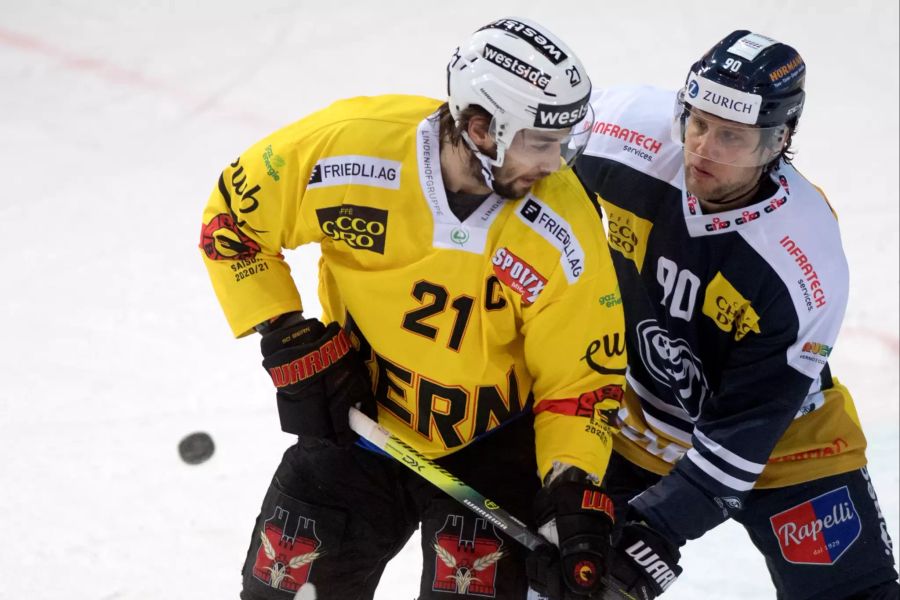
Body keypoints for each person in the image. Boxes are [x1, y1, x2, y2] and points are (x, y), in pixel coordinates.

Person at [199, 17, 627, 600]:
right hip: (357, 424)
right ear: (480, 127)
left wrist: (572, 486)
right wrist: (284, 332)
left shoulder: (566, 228)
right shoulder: (348, 149)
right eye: (541, 142)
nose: (556, 164)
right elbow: (232, 221)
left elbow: (581, 379)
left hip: (493, 449)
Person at [565, 30, 900, 600]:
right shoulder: (619, 133)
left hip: (787, 443)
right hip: (637, 421)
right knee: (566, 578)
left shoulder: (804, 259)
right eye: (697, 123)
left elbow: (751, 422)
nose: (702, 148)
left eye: (731, 136)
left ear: (778, 141)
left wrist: (658, 528)